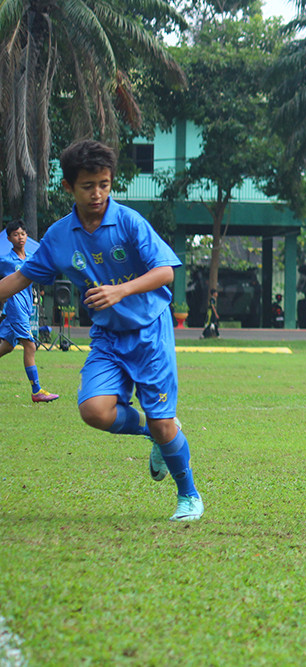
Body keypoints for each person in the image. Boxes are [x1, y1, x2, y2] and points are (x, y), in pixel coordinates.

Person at [0, 139, 203, 521]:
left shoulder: (127, 221)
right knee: (94, 411)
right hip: (108, 339)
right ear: (68, 188)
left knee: (162, 421)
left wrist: (120, 290)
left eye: (104, 184)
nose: (97, 194)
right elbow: (20, 278)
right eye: (88, 186)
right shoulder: (60, 237)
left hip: (149, 333)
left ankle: (189, 495)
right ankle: (157, 433)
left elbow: (165, 272)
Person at [0, 220, 59, 403]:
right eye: (16, 234)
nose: (20, 237)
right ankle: (37, 390)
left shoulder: (32, 257)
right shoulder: (5, 261)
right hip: (15, 307)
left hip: (26, 307)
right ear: (9, 238)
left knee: (8, 346)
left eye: (23, 234)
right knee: (30, 345)